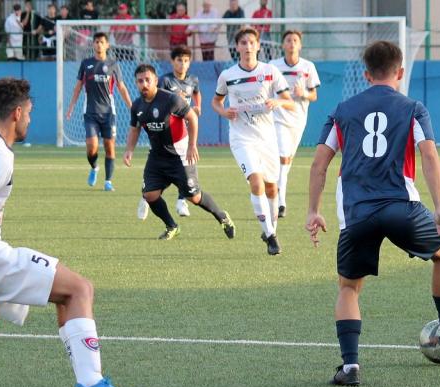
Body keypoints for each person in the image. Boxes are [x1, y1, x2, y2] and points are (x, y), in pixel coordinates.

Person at [0, 77, 138, 387]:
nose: (30, 118)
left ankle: (86, 383)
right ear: (16, 113)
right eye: (29, 111)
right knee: (81, 289)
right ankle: (91, 384)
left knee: (66, 293)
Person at [306, 41, 440, 387]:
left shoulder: (342, 109)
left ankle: (350, 368)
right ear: (401, 72)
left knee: (349, 286)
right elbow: (429, 155)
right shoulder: (413, 107)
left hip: (357, 212)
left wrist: (313, 211)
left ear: (365, 74)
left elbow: (319, 164)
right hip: (401, 207)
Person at [124, 63, 235, 241]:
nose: (144, 84)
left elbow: (191, 117)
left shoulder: (171, 100)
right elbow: (134, 128)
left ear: (155, 81)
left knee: (194, 197)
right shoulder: (137, 106)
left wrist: (192, 145)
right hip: (157, 157)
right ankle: (171, 226)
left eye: (148, 80)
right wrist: (129, 150)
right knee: (150, 194)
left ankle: (221, 215)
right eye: (140, 81)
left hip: (180, 156)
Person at [212, 27, 294, 255]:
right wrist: (223, 111)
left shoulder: (270, 72)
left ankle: (270, 229)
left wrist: (278, 103)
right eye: (243, 43)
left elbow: (290, 102)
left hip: (267, 139)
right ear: (237, 47)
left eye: (251, 42)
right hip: (241, 138)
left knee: (271, 187)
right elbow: (216, 102)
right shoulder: (227, 75)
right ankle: (270, 236)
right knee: (256, 182)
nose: (248, 46)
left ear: (258, 46)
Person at [137, 46, 202, 220]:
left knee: (186, 164)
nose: (182, 64)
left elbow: (196, 93)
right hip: (166, 128)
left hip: (184, 125)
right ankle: (147, 197)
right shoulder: (166, 80)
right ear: (173, 62)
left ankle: (182, 200)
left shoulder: (193, 80)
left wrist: (198, 106)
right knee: (166, 168)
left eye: (186, 60)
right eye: (179, 60)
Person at [65, 31, 132, 191]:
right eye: (96, 42)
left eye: (102, 42)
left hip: (109, 113)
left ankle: (108, 181)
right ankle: (94, 167)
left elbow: (121, 87)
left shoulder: (113, 64)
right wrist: (71, 107)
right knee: (92, 146)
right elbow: (78, 87)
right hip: (90, 112)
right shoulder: (86, 63)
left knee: (110, 147)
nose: (99, 44)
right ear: (93, 44)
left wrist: (131, 106)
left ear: (107, 45)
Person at [270, 30, 320, 218]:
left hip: (298, 119)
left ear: (300, 45)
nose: (291, 43)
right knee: (283, 156)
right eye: (288, 40)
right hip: (278, 116)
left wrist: (304, 94)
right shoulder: (274, 66)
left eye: (295, 40)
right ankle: (280, 201)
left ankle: (277, 189)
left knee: (287, 160)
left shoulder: (308, 67)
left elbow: (314, 96)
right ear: (283, 45)